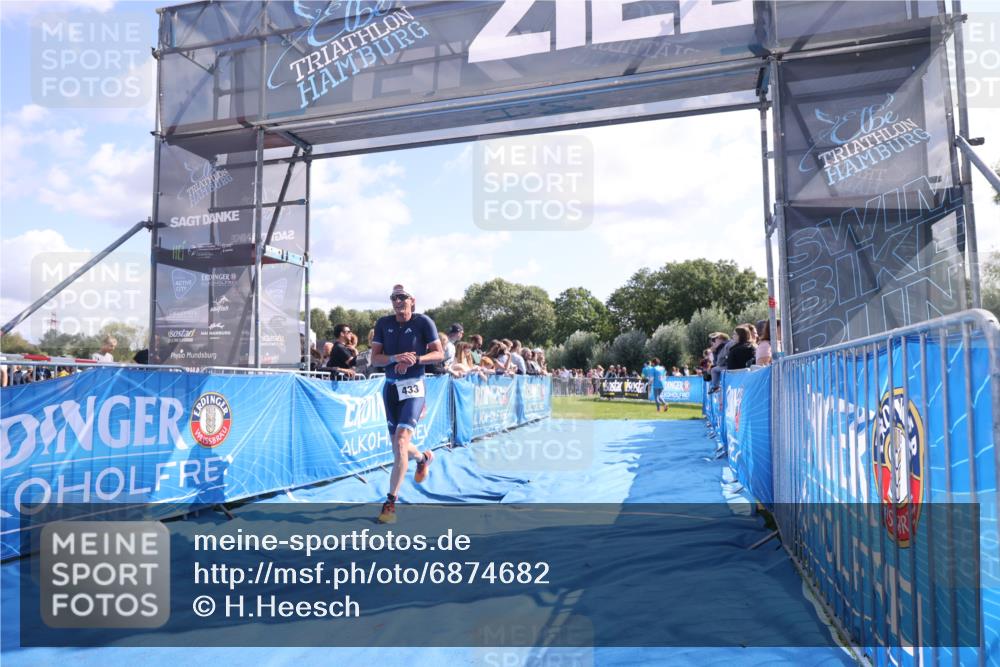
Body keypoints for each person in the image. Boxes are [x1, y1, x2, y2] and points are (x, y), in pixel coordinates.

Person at [370, 285, 444, 524]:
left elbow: (439, 354)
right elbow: (375, 359)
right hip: (391, 387)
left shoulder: (424, 322)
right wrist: (394, 358)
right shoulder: (383, 323)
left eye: (402, 297)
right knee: (398, 447)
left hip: (414, 386)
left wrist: (415, 359)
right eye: (394, 298)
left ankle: (390, 502)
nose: (398, 301)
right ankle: (423, 458)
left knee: (401, 441)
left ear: (412, 300)